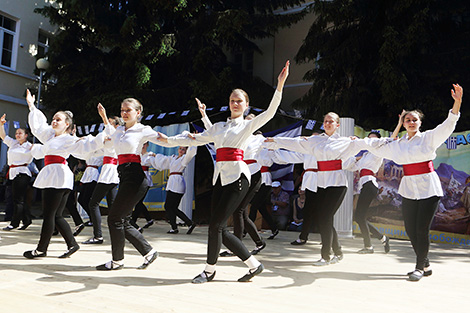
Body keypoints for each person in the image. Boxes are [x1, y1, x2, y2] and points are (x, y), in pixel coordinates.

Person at [157, 60, 289, 283]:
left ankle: (209, 271)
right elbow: (193, 139)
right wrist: (167, 140)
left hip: (238, 177)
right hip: (221, 178)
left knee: (216, 226)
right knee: (217, 227)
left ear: (246, 105)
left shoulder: (247, 126)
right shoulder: (218, 128)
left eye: (239, 101)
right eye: (232, 100)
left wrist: (280, 86)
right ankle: (253, 265)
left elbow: (270, 112)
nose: (235, 103)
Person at [358, 84, 463, 281]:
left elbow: (448, 125)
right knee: (409, 229)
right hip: (408, 189)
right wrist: (357, 142)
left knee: (421, 229)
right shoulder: (398, 145)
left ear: (420, 123)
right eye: (408, 120)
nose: (411, 122)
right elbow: (380, 149)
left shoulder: (429, 138)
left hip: (428, 188)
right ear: (404, 123)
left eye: (414, 119)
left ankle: (418, 267)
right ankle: (426, 263)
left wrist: (457, 103)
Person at [264, 112, 368, 266]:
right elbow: (295, 143)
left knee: (325, 217)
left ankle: (325, 256)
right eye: (325, 121)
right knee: (323, 218)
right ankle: (337, 252)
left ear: (337, 125)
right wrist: (275, 141)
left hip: (337, 184)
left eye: (331, 121)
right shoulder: (316, 141)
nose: (327, 124)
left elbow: (366, 144)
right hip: (321, 183)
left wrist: (387, 142)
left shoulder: (345, 141)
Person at [23, 89, 105, 259]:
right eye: (53, 119)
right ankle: (72, 244)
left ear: (67, 124)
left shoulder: (69, 139)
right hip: (54, 176)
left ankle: (41, 249)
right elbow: (38, 127)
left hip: (57, 177)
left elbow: (85, 148)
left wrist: (100, 135)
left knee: (49, 215)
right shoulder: (50, 136)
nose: (54, 121)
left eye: (58, 120)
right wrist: (31, 105)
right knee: (56, 215)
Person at [96, 98, 163, 270]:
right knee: (121, 220)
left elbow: (164, 139)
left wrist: (188, 140)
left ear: (138, 113)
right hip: (124, 176)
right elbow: (111, 133)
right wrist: (103, 116)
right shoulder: (119, 130)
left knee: (114, 218)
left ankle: (117, 261)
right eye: (122, 110)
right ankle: (148, 252)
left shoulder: (142, 130)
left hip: (135, 177)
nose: (124, 113)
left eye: (128, 110)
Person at [198, 109, 266, 255]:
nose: (246, 123)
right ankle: (249, 243)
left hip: (252, 175)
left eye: (250, 121)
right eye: (246, 120)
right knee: (238, 212)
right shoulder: (235, 134)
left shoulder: (258, 139)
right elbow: (215, 133)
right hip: (237, 173)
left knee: (240, 211)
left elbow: (275, 146)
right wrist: (204, 116)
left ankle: (245, 244)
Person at [344, 131, 389, 254]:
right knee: (359, 217)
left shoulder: (378, 152)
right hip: (364, 185)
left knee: (359, 217)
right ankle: (381, 238)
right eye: (369, 139)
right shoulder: (365, 155)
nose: (370, 142)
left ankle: (369, 246)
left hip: (369, 184)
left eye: (373, 139)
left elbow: (390, 139)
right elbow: (351, 166)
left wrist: (400, 123)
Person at [82, 116, 123, 244]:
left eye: (110, 124)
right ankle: (121, 233)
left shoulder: (117, 137)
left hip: (109, 173)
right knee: (113, 207)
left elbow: (108, 134)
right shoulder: (111, 138)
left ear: (116, 126)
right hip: (110, 172)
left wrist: (104, 116)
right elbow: (97, 151)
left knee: (93, 204)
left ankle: (98, 235)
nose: (106, 126)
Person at [147, 145, 197, 234]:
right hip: (172, 182)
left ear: (186, 151)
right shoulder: (173, 157)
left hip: (177, 182)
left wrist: (193, 144)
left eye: (183, 149)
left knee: (169, 206)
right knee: (172, 207)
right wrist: (156, 156)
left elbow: (191, 153)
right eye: (180, 148)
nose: (181, 150)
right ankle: (185, 224)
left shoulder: (184, 159)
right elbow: (164, 159)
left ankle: (179, 226)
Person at [0, 115, 33, 231]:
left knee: (17, 199)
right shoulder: (13, 143)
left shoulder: (30, 146)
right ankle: (27, 220)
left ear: (26, 135)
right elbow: (3, 136)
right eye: (16, 133)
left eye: (20, 133)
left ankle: (14, 223)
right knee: (18, 198)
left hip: (22, 172)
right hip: (12, 172)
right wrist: (1, 125)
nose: (17, 135)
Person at [74, 149, 103, 237]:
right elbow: (78, 153)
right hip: (87, 175)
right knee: (81, 199)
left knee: (89, 199)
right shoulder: (88, 152)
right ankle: (92, 218)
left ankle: (93, 219)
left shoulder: (101, 153)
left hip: (93, 175)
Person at [130, 142, 155, 232]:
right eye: (142, 144)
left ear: (147, 145)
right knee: (138, 201)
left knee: (138, 201)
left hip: (145, 179)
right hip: (137, 178)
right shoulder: (137, 155)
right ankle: (149, 219)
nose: (143, 146)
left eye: (145, 144)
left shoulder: (149, 155)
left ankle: (133, 221)